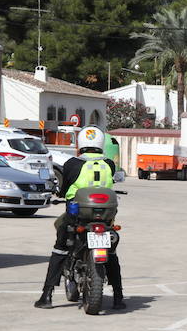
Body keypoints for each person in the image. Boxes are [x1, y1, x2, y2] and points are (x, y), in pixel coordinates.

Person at [34, 126, 125, 310]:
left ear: (80, 143)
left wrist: (58, 192)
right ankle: (118, 297)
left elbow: (64, 189)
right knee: (112, 254)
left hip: (78, 217)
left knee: (60, 249)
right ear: (100, 144)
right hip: (105, 218)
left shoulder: (72, 164)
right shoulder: (109, 164)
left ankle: (47, 295)